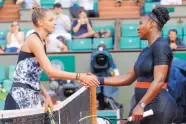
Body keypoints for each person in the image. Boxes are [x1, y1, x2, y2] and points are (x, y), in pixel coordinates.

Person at [92, 7, 178, 124]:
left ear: (151, 24)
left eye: (141, 23)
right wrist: (97, 80)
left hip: (159, 107)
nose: (138, 27)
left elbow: (159, 80)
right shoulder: (145, 51)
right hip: (143, 106)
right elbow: (127, 78)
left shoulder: (161, 46)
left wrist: (141, 104)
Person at [4, 6, 99, 111]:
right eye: (51, 20)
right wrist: (80, 76)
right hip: (19, 99)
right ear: (40, 22)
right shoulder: (33, 40)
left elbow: (32, 77)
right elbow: (50, 72)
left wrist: (46, 95)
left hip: (32, 98)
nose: (55, 22)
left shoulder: (42, 42)